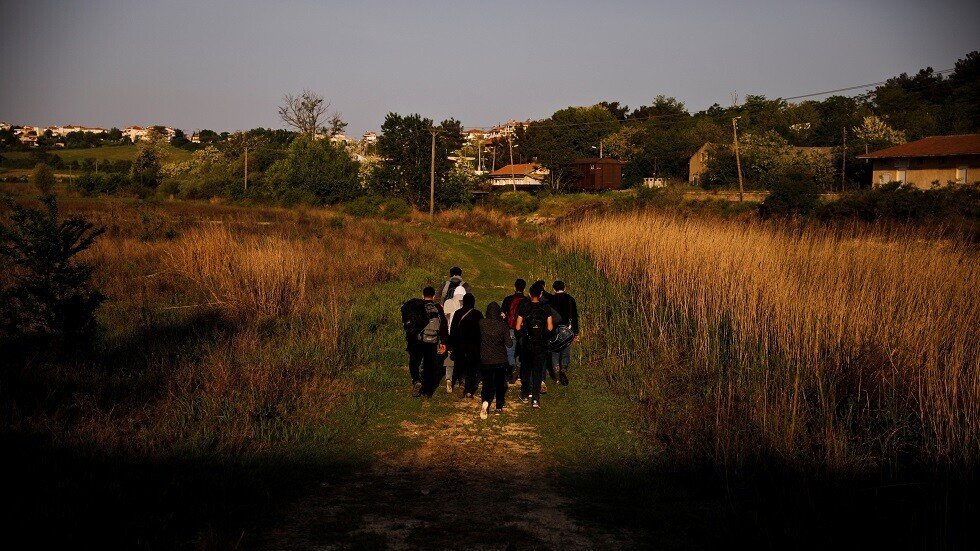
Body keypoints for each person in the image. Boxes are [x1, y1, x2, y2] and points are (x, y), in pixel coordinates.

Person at [516, 283, 553, 409]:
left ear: (529, 294)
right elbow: (550, 327)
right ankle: (536, 399)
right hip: (541, 344)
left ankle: (525, 393)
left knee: (526, 370)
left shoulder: (524, 306)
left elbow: (517, 326)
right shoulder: (546, 308)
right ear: (541, 294)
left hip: (527, 344)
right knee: (538, 372)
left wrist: (525, 334)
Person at [479, 302, 513, 418]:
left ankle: (485, 401)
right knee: (499, 384)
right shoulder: (502, 325)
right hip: (500, 360)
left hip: (485, 359)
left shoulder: (482, 323)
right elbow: (509, 344)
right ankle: (498, 406)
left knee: (486, 382)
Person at [449, 292, 483, 399]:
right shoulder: (478, 314)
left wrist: (451, 345)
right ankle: (469, 391)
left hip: (460, 346)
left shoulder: (458, 313)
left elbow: (453, 330)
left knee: (460, 366)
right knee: (472, 369)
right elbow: (481, 332)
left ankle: (461, 383)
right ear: (473, 302)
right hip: (473, 346)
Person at [417, 286, 448, 397]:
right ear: (434, 297)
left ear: (422, 296)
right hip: (433, 340)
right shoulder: (438, 308)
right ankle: (428, 390)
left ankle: (419, 383)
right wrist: (443, 342)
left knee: (420, 362)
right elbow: (443, 325)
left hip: (420, 340)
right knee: (430, 363)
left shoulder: (418, 307)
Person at [549, 280, 579, 386]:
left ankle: (556, 376)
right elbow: (574, 317)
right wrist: (576, 333)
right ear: (564, 288)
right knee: (565, 352)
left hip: (554, 329)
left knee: (555, 352)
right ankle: (564, 370)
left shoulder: (551, 300)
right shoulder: (570, 299)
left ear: (554, 289)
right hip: (567, 329)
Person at [400, 294, 428, 396]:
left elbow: (405, 325)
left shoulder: (406, 308)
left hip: (412, 338)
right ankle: (424, 377)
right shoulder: (426, 307)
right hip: (426, 338)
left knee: (413, 360)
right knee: (425, 358)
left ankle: (416, 380)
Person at [442, 283, 467, 392]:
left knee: (449, 357)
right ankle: (462, 380)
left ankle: (449, 378)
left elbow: (445, 319)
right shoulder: (467, 305)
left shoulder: (448, 302)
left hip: (450, 334)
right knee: (462, 358)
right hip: (463, 335)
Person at [500, 279, 527, 374]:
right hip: (523, 330)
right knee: (520, 350)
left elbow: (502, 314)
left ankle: (513, 368)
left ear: (514, 287)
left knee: (510, 352)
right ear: (524, 288)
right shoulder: (527, 301)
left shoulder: (508, 299)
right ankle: (519, 368)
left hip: (511, 328)